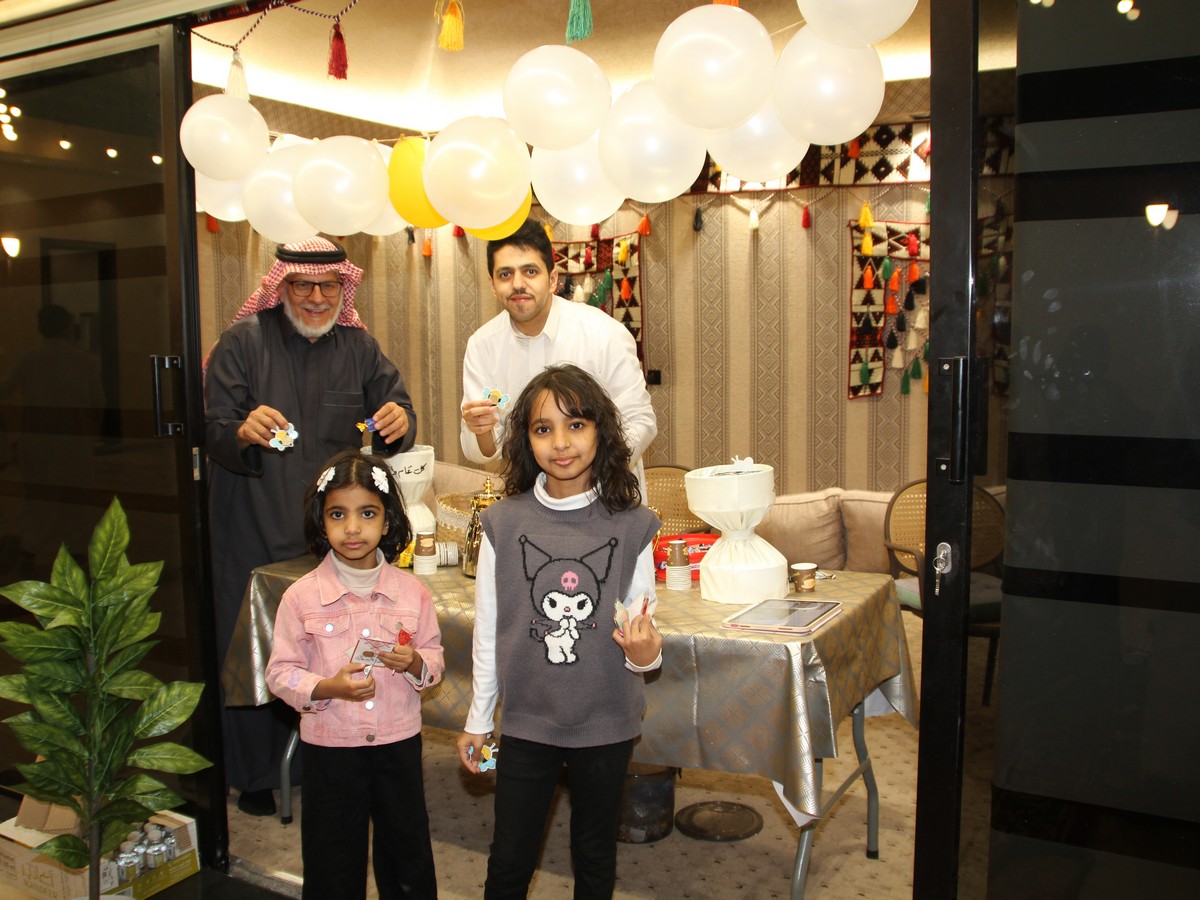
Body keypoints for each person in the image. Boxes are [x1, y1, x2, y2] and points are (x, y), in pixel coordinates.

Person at [205, 236, 418, 816]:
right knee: (257, 647)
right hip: (252, 526)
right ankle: (255, 774)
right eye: (303, 285)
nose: (317, 298)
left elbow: (397, 412)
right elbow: (211, 426)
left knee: (326, 646)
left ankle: (328, 755)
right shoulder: (242, 343)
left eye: (328, 286)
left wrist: (401, 420)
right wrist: (240, 430)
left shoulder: (360, 347)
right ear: (282, 286)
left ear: (344, 287)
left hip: (329, 537)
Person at [456, 363, 662, 899]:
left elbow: (642, 635)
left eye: (576, 425)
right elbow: (489, 632)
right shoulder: (503, 523)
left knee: (594, 854)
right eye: (543, 428)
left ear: (601, 431)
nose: (561, 443)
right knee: (509, 858)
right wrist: (479, 718)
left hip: (607, 720)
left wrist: (645, 656)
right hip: (527, 720)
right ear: (525, 439)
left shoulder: (632, 523)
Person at [267, 449, 442, 899]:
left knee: (406, 853)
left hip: (397, 744)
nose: (352, 528)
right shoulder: (301, 598)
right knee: (332, 857)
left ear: (387, 521)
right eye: (337, 514)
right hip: (331, 747)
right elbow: (280, 673)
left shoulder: (414, 594)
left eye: (367, 513)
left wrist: (415, 662)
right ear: (321, 521)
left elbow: (434, 659)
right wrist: (327, 687)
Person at [459, 218, 657, 496]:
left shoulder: (604, 333)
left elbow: (640, 420)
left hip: (607, 496)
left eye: (530, 271)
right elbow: (482, 451)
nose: (518, 284)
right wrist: (480, 429)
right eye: (505, 274)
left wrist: (584, 475)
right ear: (492, 284)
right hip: (530, 500)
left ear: (552, 279)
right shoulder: (482, 346)